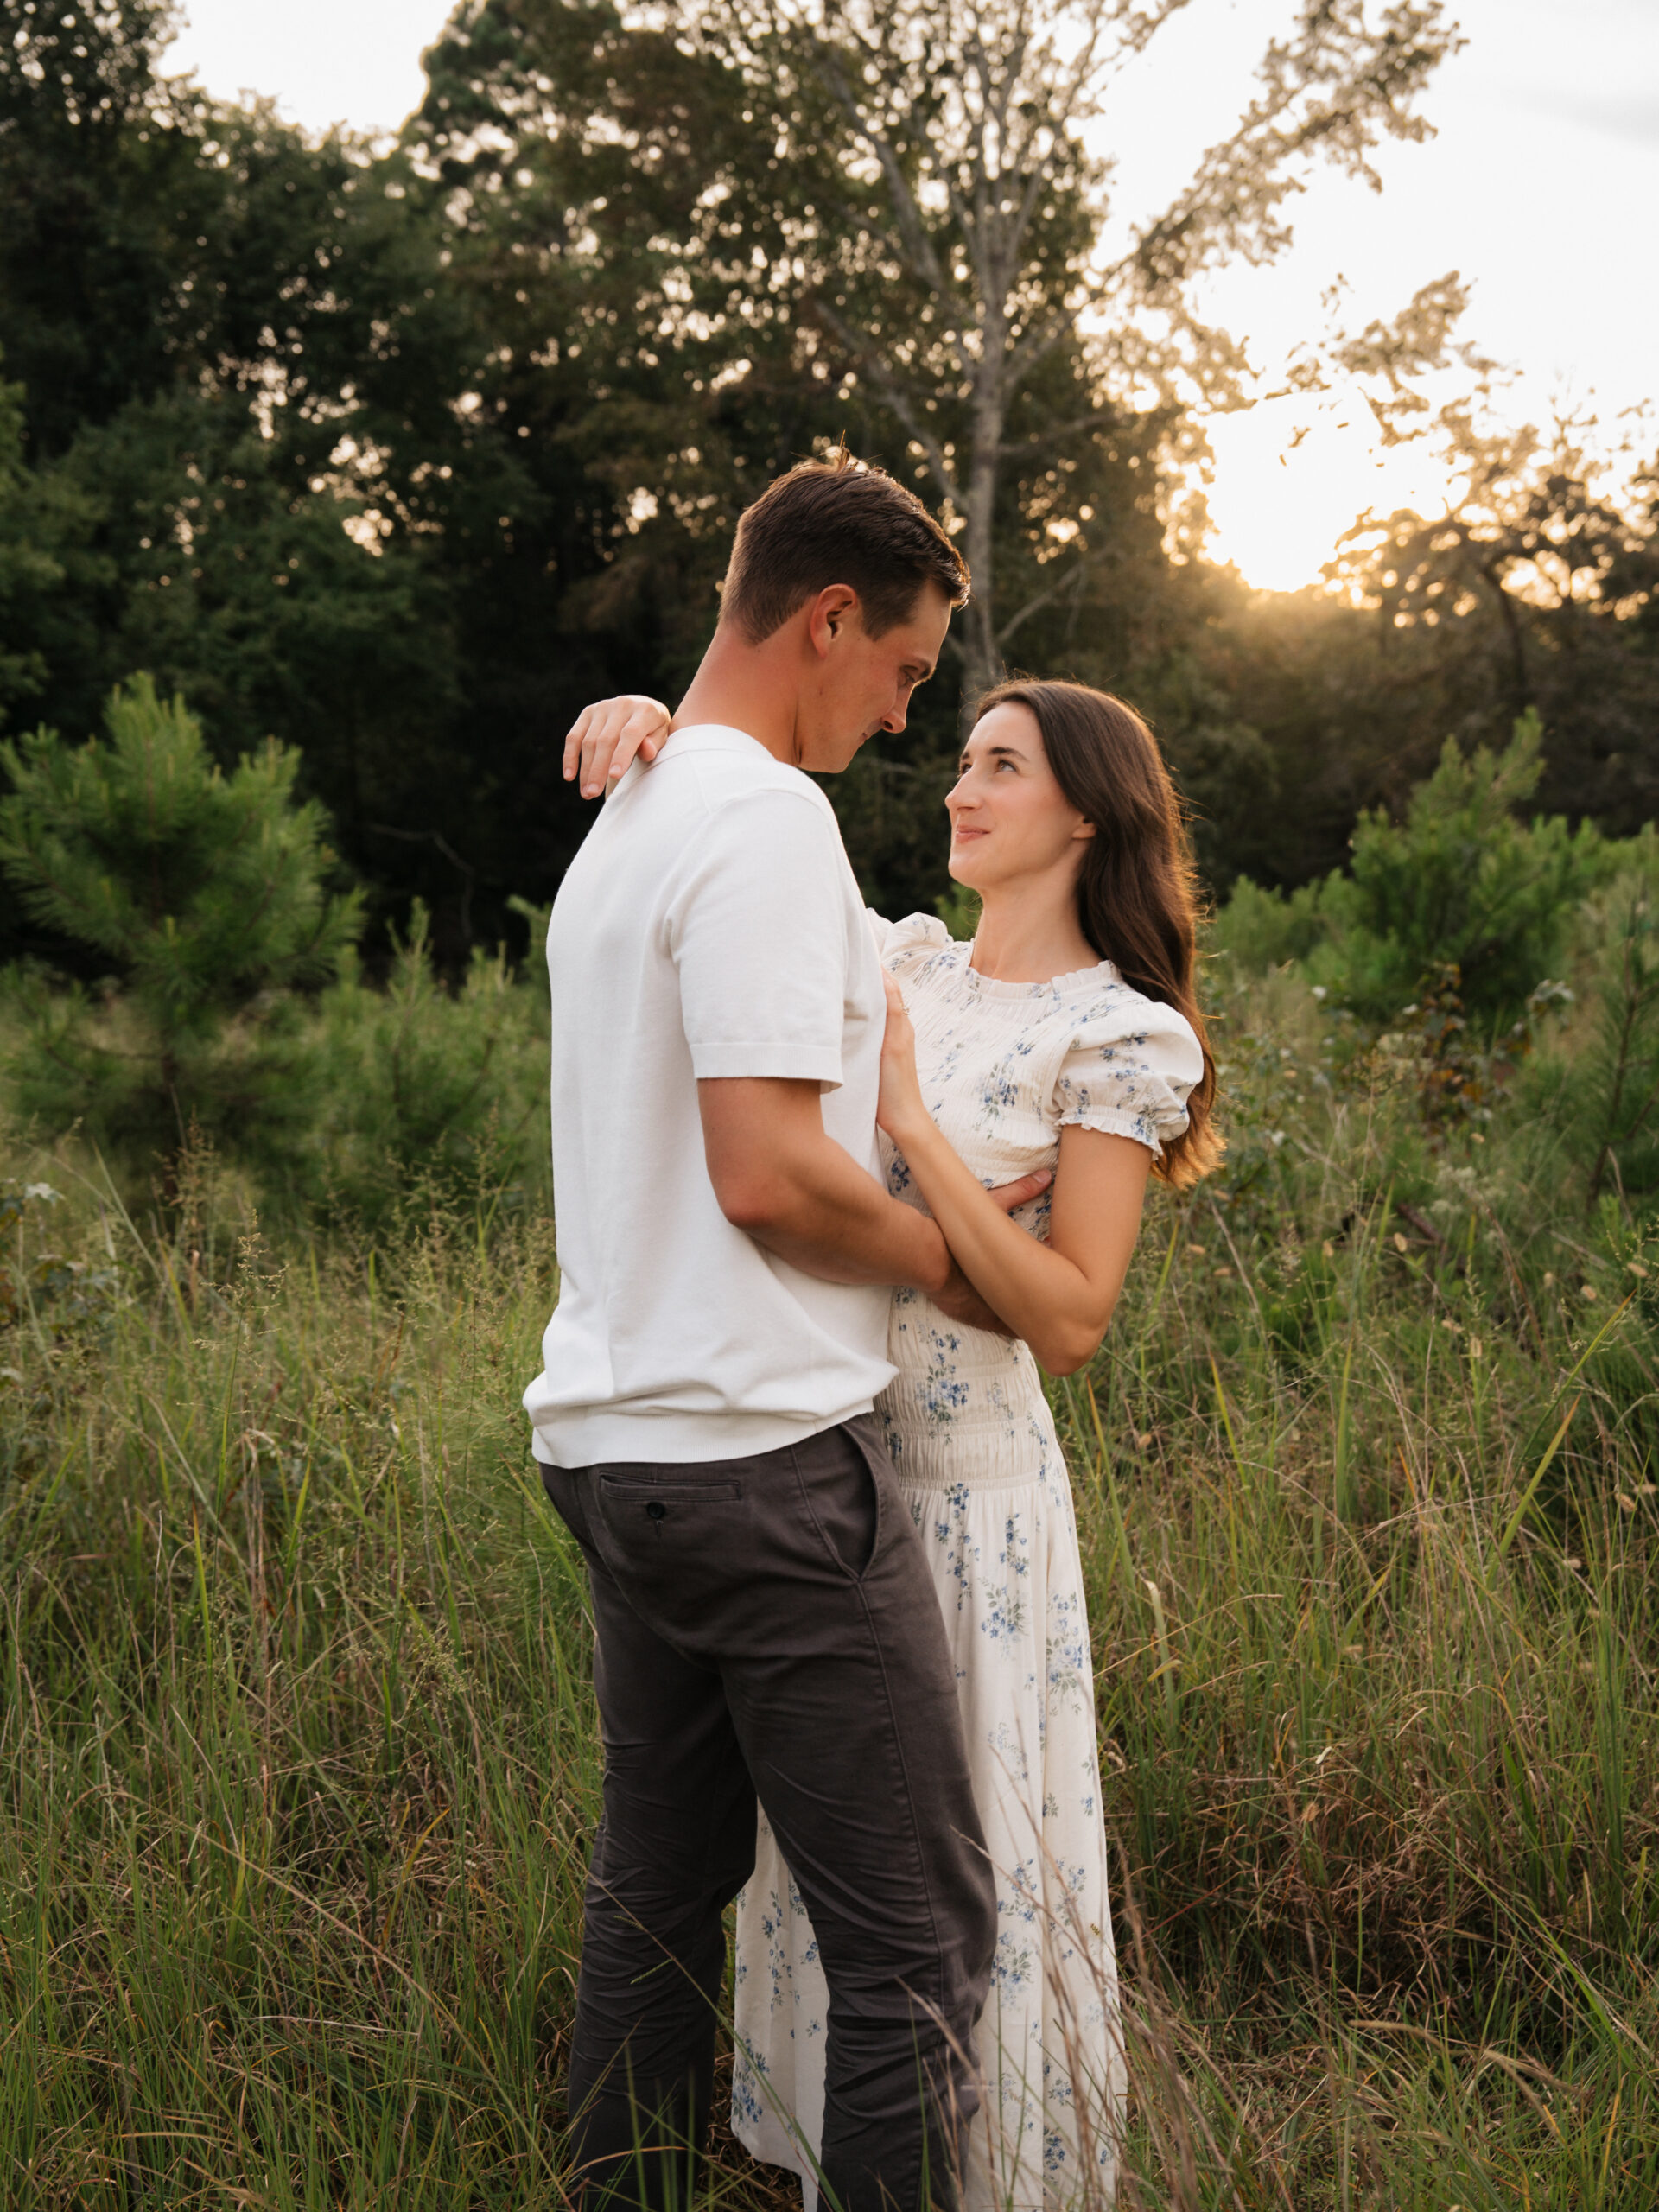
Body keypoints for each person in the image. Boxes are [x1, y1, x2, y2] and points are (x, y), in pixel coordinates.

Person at [565, 674, 1222, 2210]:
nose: (958, 788)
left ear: (1089, 813)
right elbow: (718, 881)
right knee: (830, 1881)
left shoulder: (1115, 1035)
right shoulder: (899, 956)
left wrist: (916, 1131)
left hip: (977, 1497)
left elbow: (1070, 1317)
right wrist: (659, 724)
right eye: (963, 759)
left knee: (954, 1883)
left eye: (1001, 766)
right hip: (822, 1464)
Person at [525, 448, 1061, 2212]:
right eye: (902, 667)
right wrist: (939, 1257)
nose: (905, 716)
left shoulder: (631, 818)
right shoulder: (758, 819)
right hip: (759, 1464)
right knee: (916, 1941)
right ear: (827, 618)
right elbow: (762, 1172)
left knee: (655, 1901)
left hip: (619, 1453)